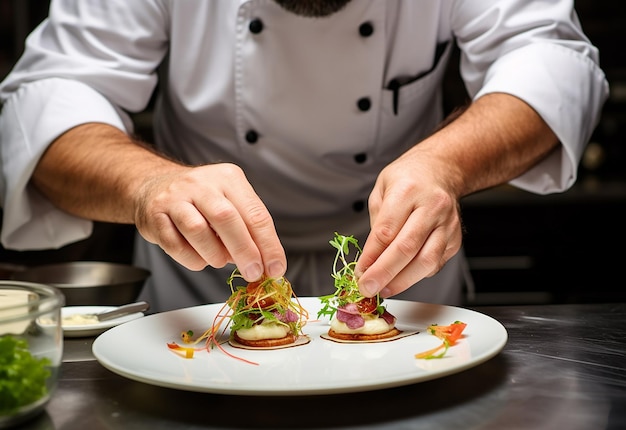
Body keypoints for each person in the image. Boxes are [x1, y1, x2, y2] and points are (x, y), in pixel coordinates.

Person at [0, 0, 608, 312]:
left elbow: (548, 59)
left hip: (406, 282)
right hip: (200, 288)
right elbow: (52, 96)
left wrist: (445, 165)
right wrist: (147, 186)